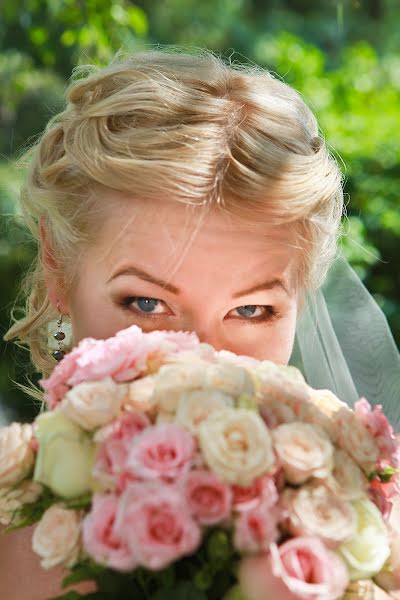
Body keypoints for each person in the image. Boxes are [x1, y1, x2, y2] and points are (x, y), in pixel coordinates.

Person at [1, 47, 398, 598]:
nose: (200, 361)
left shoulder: (361, 548)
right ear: (57, 268)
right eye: (145, 303)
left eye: (251, 310)